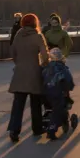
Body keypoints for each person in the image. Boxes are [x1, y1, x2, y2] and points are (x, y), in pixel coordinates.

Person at [7, 13, 49, 142]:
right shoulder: (38, 36)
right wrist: (44, 65)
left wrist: (19, 64)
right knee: (35, 103)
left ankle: (14, 130)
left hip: (20, 72)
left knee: (18, 104)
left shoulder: (19, 35)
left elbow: (13, 52)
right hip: (34, 73)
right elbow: (45, 56)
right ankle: (37, 128)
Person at [42, 48, 76, 140]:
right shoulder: (62, 68)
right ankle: (52, 130)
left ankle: (45, 123)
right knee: (58, 109)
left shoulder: (46, 68)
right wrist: (70, 87)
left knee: (50, 108)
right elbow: (68, 81)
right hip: (57, 93)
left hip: (46, 93)